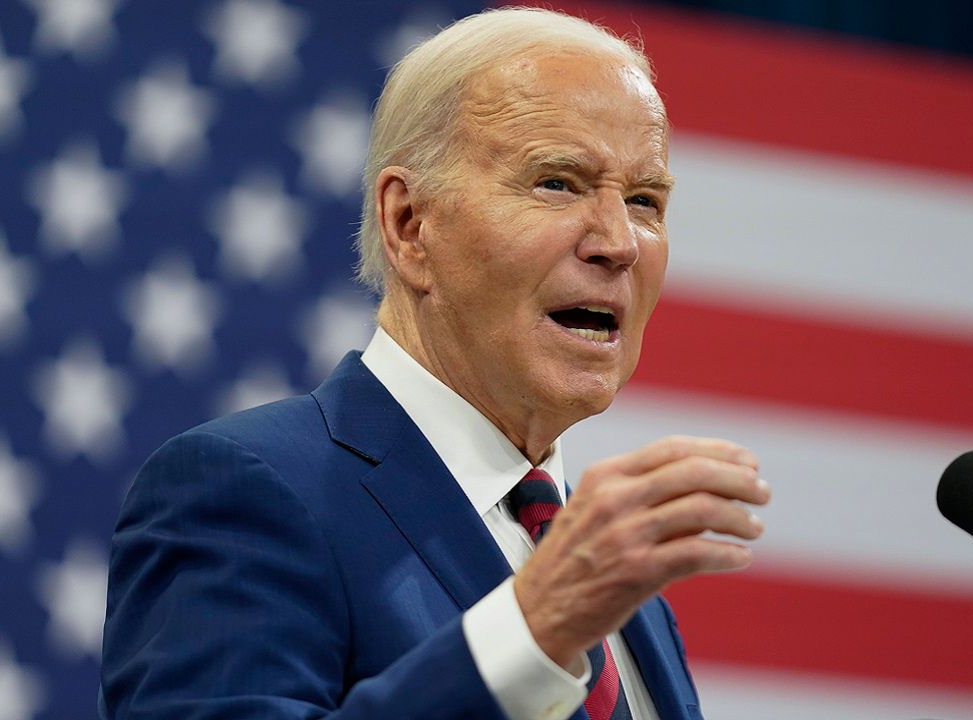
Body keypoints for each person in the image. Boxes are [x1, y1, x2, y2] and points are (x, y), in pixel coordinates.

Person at [100, 7, 770, 720]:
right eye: (558, 183)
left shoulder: (623, 595)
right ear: (410, 225)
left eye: (644, 200)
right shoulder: (243, 493)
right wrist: (532, 631)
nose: (619, 242)